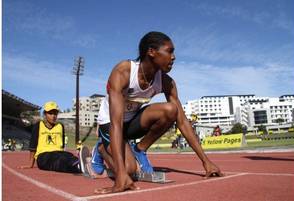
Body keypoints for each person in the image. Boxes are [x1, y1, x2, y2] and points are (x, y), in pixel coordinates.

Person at [95, 31, 222, 194]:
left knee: (171, 110)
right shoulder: (123, 72)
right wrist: (120, 174)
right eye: (169, 51)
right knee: (128, 171)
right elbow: (116, 123)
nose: (174, 57)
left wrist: (206, 161)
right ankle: (101, 150)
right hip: (110, 123)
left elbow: (182, 122)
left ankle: (140, 149)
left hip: (132, 122)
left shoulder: (166, 81)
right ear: (151, 52)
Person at [19, 101, 91, 175]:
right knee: (58, 160)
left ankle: (85, 164)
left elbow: (62, 145)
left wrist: (62, 153)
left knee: (68, 155)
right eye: (50, 113)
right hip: (43, 156)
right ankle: (78, 166)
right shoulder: (38, 125)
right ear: (45, 114)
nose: (53, 116)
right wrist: (30, 164)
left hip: (58, 152)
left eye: (55, 113)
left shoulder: (60, 126)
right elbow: (33, 146)